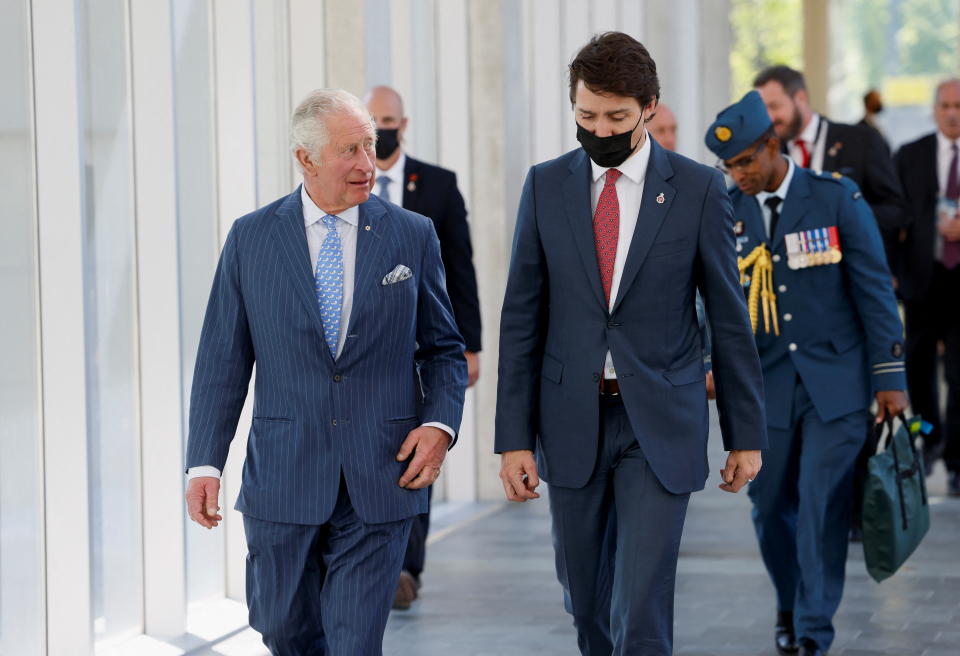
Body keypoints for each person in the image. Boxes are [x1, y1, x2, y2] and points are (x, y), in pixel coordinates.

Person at [496, 32, 767, 655]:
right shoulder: (544, 186)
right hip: (570, 421)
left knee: (641, 606)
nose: (600, 129)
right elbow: (521, 319)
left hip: (660, 423)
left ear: (649, 107)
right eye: (586, 116)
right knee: (586, 603)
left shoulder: (698, 190)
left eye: (616, 117)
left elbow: (729, 319)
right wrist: (513, 438)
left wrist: (744, 433)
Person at [183, 89, 467, 655]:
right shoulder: (251, 238)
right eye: (349, 150)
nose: (368, 163)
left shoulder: (412, 234)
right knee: (283, 629)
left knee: (355, 641)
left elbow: (443, 350)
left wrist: (440, 426)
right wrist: (204, 461)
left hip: (382, 475)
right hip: (284, 477)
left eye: (370, 145)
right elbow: (222, 359)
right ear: (306, 159)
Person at [705, 90, 908, 656]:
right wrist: (706, 363)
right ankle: (790, 605)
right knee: (769, 509)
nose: (738, 174)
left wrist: (890, 379)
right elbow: (706, 300)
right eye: (730, 166)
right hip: (763, 390)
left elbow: (873, 290)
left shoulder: (835, 198)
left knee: (820, 507)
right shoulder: (724, 210)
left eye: (746, 161)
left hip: (835, 388)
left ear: (773, 146)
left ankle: (815, 632)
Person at [364, 84, 483, 608]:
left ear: (403, 123)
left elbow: (461, 267)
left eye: (388, 120)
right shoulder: (351, 181)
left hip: (425, 349)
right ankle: (372, 559)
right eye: (372, 122)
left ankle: (405, 569)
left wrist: (470, 345)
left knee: (421, 451)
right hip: (367, 354)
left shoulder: (436, 184)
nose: (381, 130)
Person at [753, 65, 907, 269]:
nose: (769, 118)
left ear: (800, 97)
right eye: (763, 110)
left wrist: (839, 224)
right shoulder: (766, 154)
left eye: (774, 106)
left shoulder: (861, 141)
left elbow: (895, 211)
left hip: (852, 276)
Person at [894, 79, 960, 495]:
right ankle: (930, 437)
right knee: (918, 368)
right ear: (934, 110)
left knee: (958, 373)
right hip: (923, 280)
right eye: (946, 105)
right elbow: (894, 215)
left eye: (959, 105)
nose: (952, 113)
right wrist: (894, 271)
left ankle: (957, 458)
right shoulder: (911, 155)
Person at [647, 101, 715, 399]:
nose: (670, 138)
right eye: (661, 130)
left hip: (684, 353)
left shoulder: (691, 187)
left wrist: (709, 361)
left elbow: (708, 287)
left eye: (673, 130)